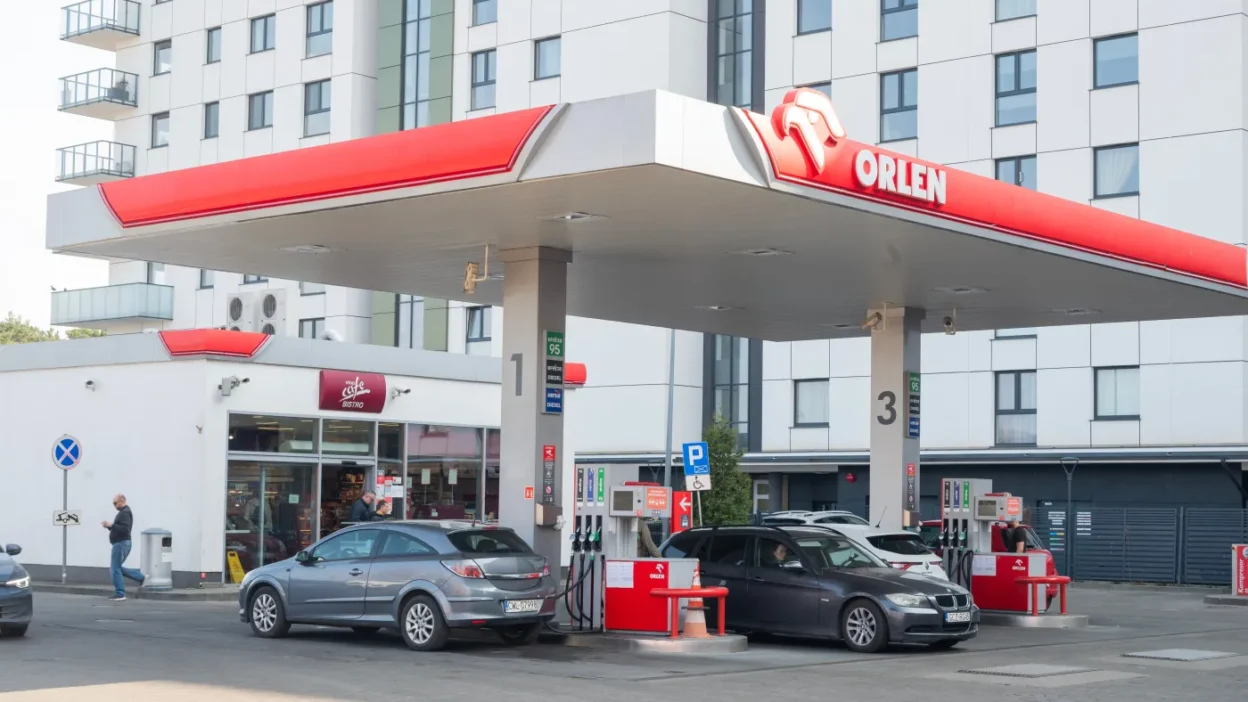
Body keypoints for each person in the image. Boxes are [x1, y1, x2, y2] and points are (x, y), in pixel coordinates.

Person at [101, 494, 144, 601]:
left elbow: (125, 529)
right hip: (121, 543)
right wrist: (109, 527)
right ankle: (140, 577)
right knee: (117, 568)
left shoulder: (125, 513)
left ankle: (120, 593)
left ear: (122, 501)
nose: (114, 506)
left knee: (115, 569)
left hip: (121, 544)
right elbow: (120, 528)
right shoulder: (124, 512)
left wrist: (111, 525)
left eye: (115, 503)